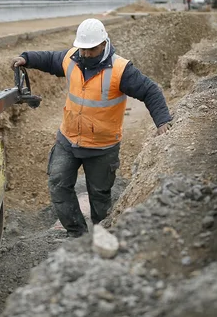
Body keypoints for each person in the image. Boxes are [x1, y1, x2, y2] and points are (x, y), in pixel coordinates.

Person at [11, 18, 173, 237]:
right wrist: (26, 58)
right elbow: (49, 59)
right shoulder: (71, 58)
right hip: (68, 140)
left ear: (104, 44)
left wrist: (162, 121)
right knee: (58, 185)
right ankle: (77, 233)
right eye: (83, 49)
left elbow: (150, 91)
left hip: (102, 148)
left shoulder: (120, 70)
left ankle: (101, 236)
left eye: (91, 49)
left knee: (99, 197)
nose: (86, 54)